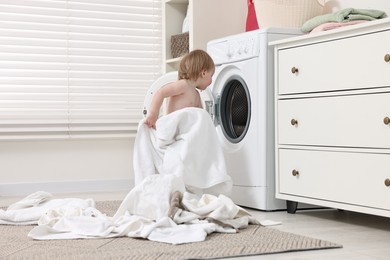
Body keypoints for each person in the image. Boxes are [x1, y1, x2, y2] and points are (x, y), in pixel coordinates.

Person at [144, 49, 215, 129]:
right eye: (211, 76)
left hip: (185, 131)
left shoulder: (196, 94)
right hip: (173, 127)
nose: (211, 81)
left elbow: (200, 116)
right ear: (204, 73)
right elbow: (161, 93)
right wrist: (153, 114)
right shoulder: (183, 85)